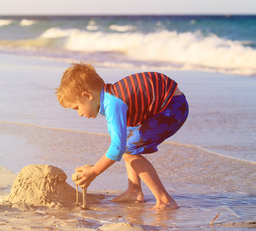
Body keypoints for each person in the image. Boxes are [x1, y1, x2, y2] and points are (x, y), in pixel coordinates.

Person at [55, 62, 189, 210]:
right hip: (165, 103)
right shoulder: (110, 98)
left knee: (129, 153)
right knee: (128, 147)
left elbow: (117, 147)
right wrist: (97, 165)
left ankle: (165, 200)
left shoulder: (113, 103)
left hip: (171, 108)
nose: (79, 114)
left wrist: (94, 171)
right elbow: (119, 142)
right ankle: (134, 191)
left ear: (87, 96)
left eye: (77, 108)